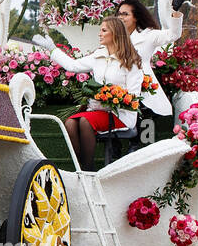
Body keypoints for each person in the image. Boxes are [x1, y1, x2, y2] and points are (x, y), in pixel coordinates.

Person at [34, 18, 144, 172]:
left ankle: (88, 171)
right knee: (70, 123)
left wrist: (111, 98)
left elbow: (133, 98)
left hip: (122, 115)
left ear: (116, 34)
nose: (100, 34)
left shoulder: (131, 61)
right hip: (98, 111)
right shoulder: (98, 56)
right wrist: (52, 49)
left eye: (104, 30)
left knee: (85, 121)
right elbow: (72, 65)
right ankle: (82, 169)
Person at [116, 0, 182, 117]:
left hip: (144, 93)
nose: (121, 17)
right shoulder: (113, 37)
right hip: (116, 92)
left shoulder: (148, 35)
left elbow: (173, 34)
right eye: (119, 14)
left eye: (125, 14)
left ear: (135, 17)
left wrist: (175, 12)